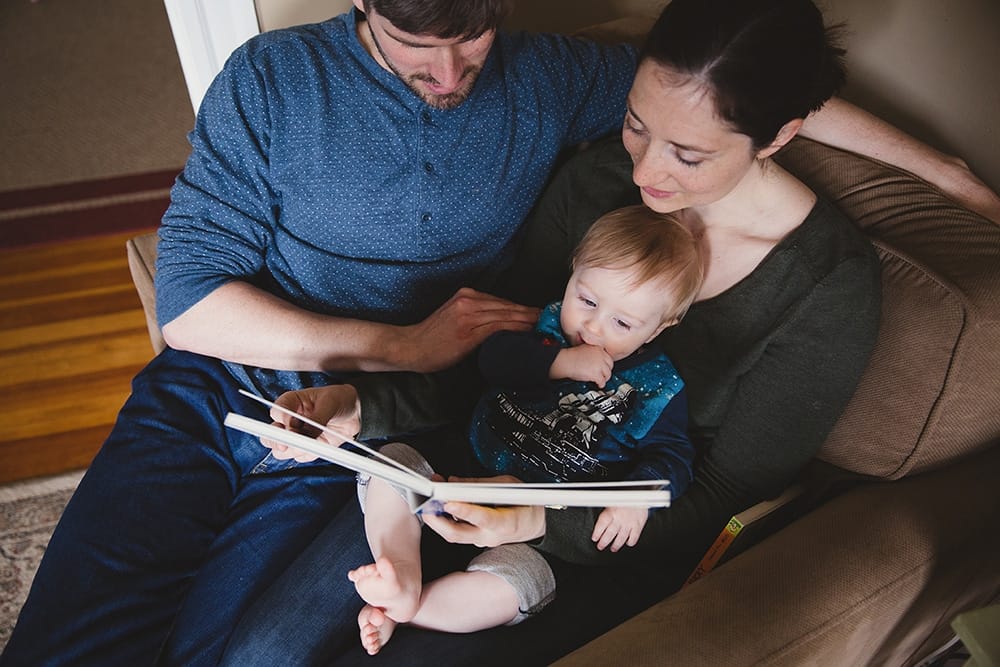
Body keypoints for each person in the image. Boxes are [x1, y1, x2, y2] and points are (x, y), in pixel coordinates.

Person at [3, 0, 996, 664]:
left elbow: (721, 491)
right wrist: (368, 396)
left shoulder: (822, 282)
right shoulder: (598, 174)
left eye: (686, 150)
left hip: (576, 535)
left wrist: (945, 171)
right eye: (637, 124)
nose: (646, 166)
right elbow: (486, 354)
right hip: (375, 437)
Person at [350, 206, 702, 655]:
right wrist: (558, 362)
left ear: (660, 327)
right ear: (573, 271)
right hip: (462, 472)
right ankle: (399, 569)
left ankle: (412, 609)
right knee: (391, 463)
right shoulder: (547, 329)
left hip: (537, 526)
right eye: (588, 301)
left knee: (516, 587)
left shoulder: (657, 386)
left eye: (623, 323)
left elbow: (673, 456)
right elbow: (493, 359)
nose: (593, 327)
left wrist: (636, 497)